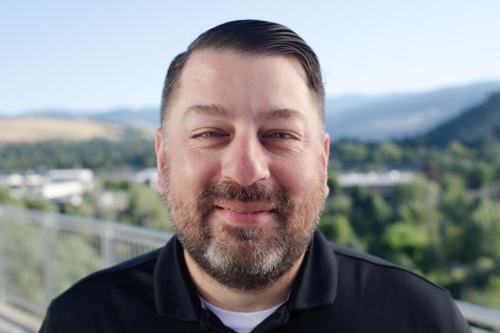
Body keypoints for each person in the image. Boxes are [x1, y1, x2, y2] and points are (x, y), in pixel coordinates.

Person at [39, 19, 471, 332]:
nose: (246, 171)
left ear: (322, 162)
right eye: (210, 133)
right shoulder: (81, 319)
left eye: (280, 134)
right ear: (163, 159)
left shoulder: (420, 318)